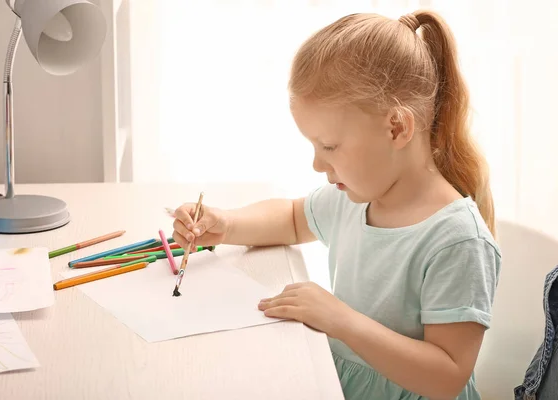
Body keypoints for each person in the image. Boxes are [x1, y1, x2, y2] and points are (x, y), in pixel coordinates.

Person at [172, 9, 501, 400]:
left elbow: (447, 377)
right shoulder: (358, 198)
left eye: (329, 146)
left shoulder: (457, 240)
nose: (317, 164)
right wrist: (225, 224)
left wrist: (341, 320)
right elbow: (293, 218)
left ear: (397, 128)